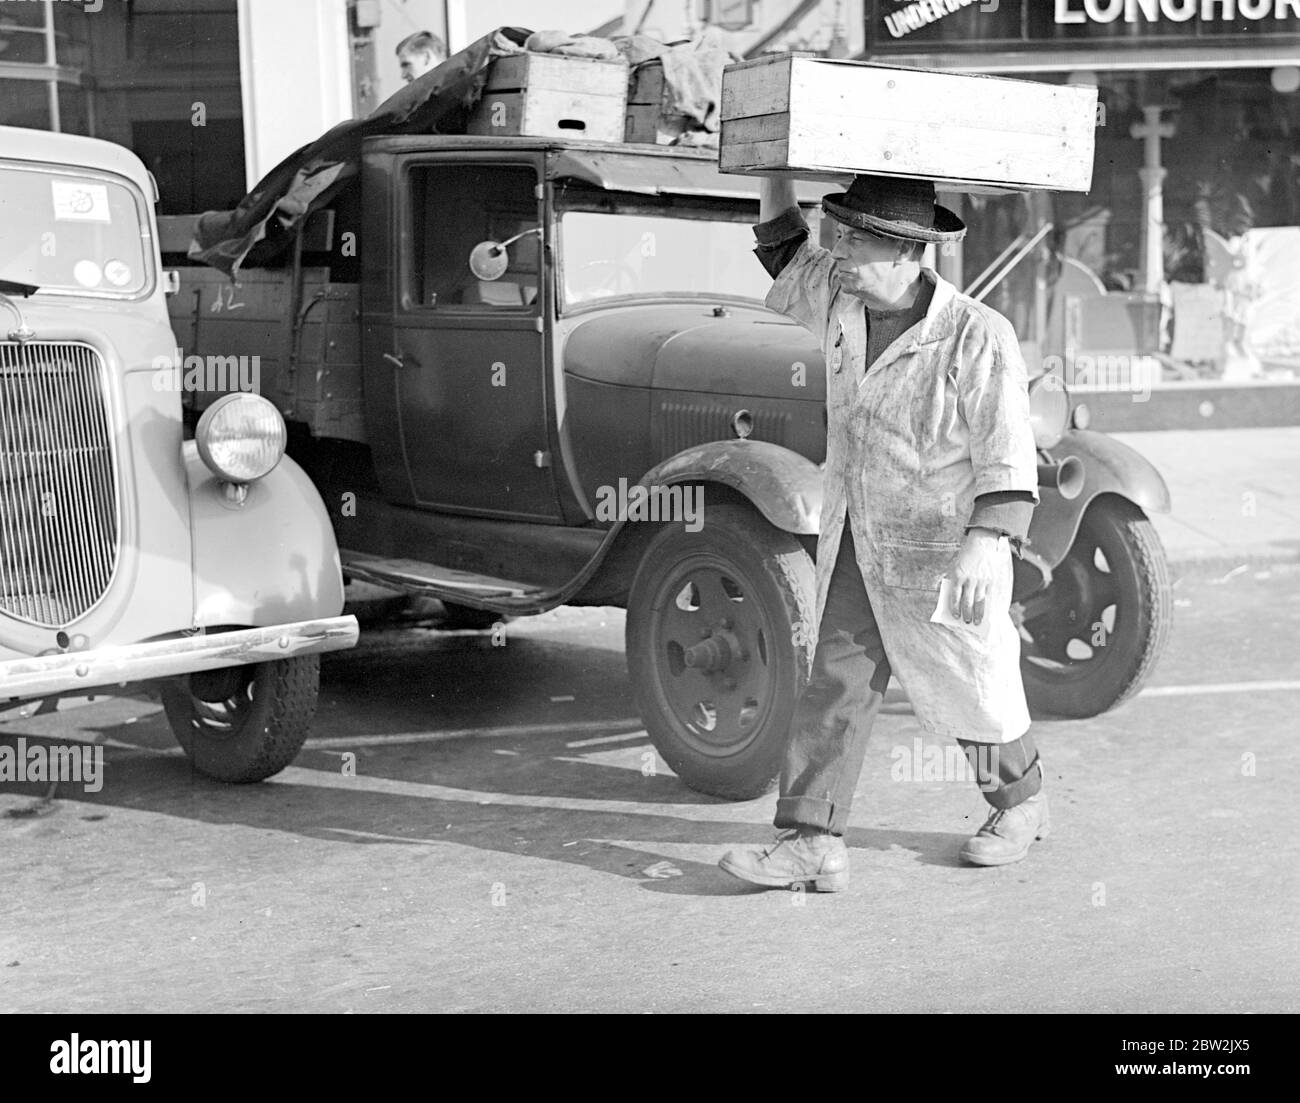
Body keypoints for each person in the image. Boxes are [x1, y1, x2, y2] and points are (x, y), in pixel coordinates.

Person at [718, 173, 1048, 892]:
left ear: (907, 252)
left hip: (946, 555)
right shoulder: (841, 299)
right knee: (833, 681)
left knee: (973, 687)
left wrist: (986, 543)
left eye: (855, 240)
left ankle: (1019, 805)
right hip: (859, 540)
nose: (838, 252)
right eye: (838, 235)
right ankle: (812, 840)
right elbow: (783, 249)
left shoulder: (977, 335)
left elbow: (1009, 456)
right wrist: (776, 164)